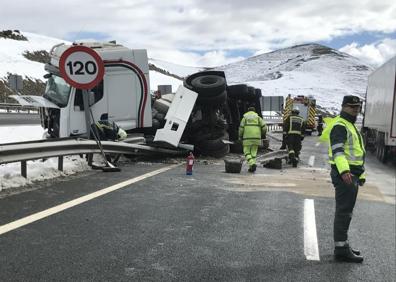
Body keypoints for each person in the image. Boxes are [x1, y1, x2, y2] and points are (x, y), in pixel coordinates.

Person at [320, 95, 365, 263]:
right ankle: (341, 250)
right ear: (343, 107)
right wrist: (345, 171)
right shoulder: (340, 125)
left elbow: (357, 154)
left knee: (346, 212)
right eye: (351, 107)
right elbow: (338, 151)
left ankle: (343, 245)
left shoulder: (350, 125)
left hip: (352, 175)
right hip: (345, 175)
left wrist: (361, 175)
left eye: (357, 107)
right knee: (344, 212)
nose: (355, 109)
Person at [239, 106, 267, 172]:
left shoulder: (244, 118)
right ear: (254, 111)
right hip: (256, 138)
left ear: (248, 111)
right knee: (253, 153)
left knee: (246, 152)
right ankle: (251, 168)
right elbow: (264, 127)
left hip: (247, 138)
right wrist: (262, 134)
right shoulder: (258, 118)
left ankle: (252, 163)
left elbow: (241, 128)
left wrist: (240, 136)